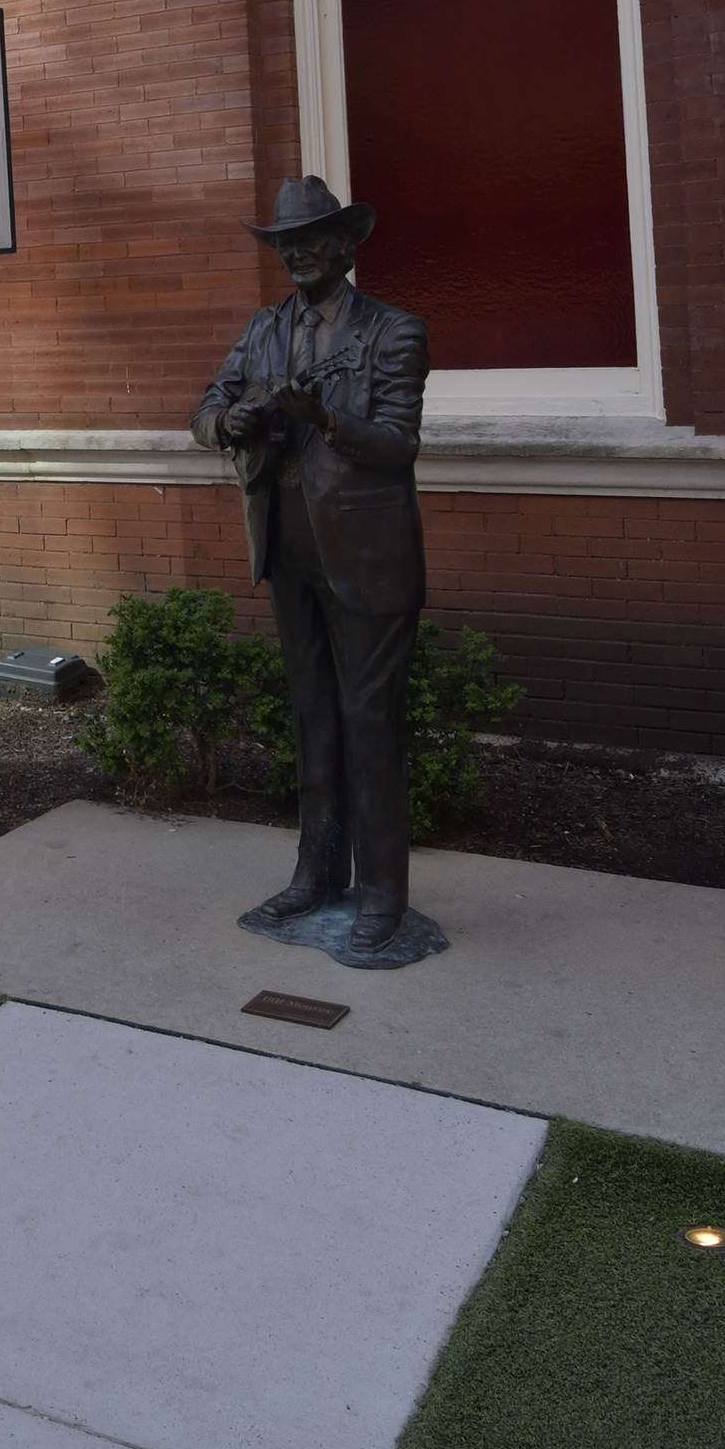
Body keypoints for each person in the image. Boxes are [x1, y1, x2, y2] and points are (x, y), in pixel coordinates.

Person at [193, 174, 439, 966]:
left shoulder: (393, 332)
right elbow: (205, 410)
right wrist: (229, 421)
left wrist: (324, 418)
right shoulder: (264, 330)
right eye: (285, 244)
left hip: (367, 555)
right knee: (314, 718)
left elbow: (398, 443)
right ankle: (316, 874)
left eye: (310, 240)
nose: (296, 254)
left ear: (345, 246)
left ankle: (382, 895)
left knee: (370, 722)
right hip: (288, 543)